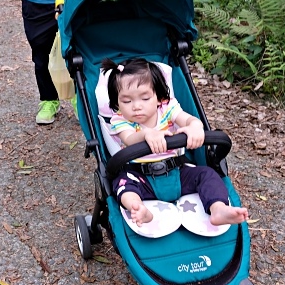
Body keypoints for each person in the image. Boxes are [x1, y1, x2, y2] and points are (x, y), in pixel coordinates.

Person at [102, 58, 249, 227]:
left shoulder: (168, 108)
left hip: (177, 171)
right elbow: (128, 139)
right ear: (117, 103)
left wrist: (195, 127)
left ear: (158, 97)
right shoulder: (120, 120)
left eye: (144, 98)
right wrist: (146, 134)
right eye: (127, 101)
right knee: (122, 186)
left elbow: (188, 120)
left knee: (207, 175)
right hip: (140, 177)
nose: (136, 106)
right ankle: (140, 209)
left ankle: (218, 208)